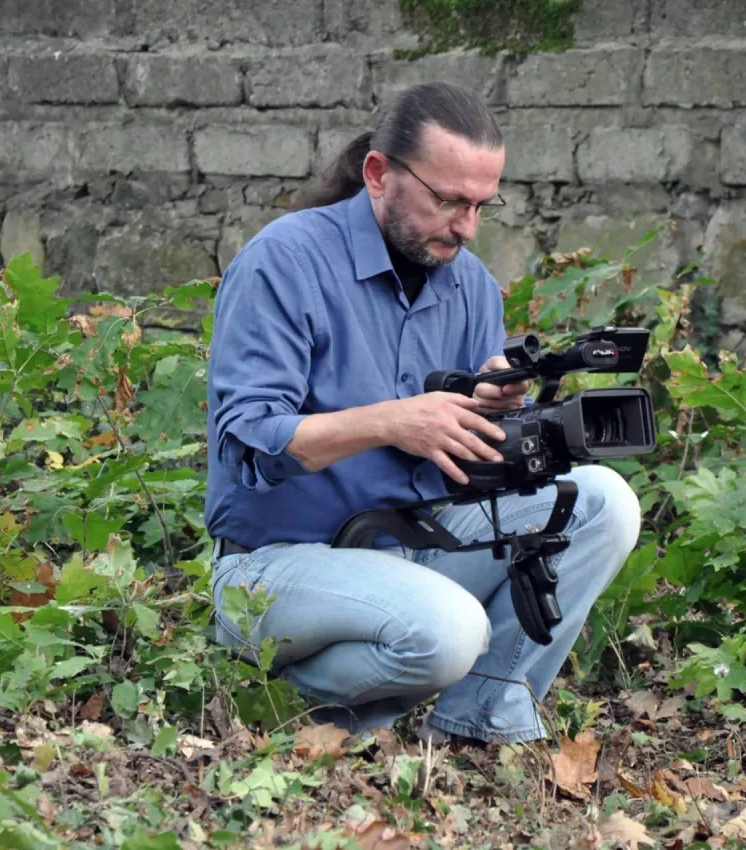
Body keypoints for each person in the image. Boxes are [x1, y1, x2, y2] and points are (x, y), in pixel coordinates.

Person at [204, 81, 643, 745]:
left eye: (480, 205)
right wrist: (392, 421)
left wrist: (495, 409)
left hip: (412, 548)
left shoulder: (469, 285)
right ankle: (275, 702)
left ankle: (477, 726)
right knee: (450, 630)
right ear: (378, 174)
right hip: (273, 568)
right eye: (448, 200)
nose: (466, 226)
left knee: (603, 501)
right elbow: (248, 448)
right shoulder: (284, 262)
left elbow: (469, 464)